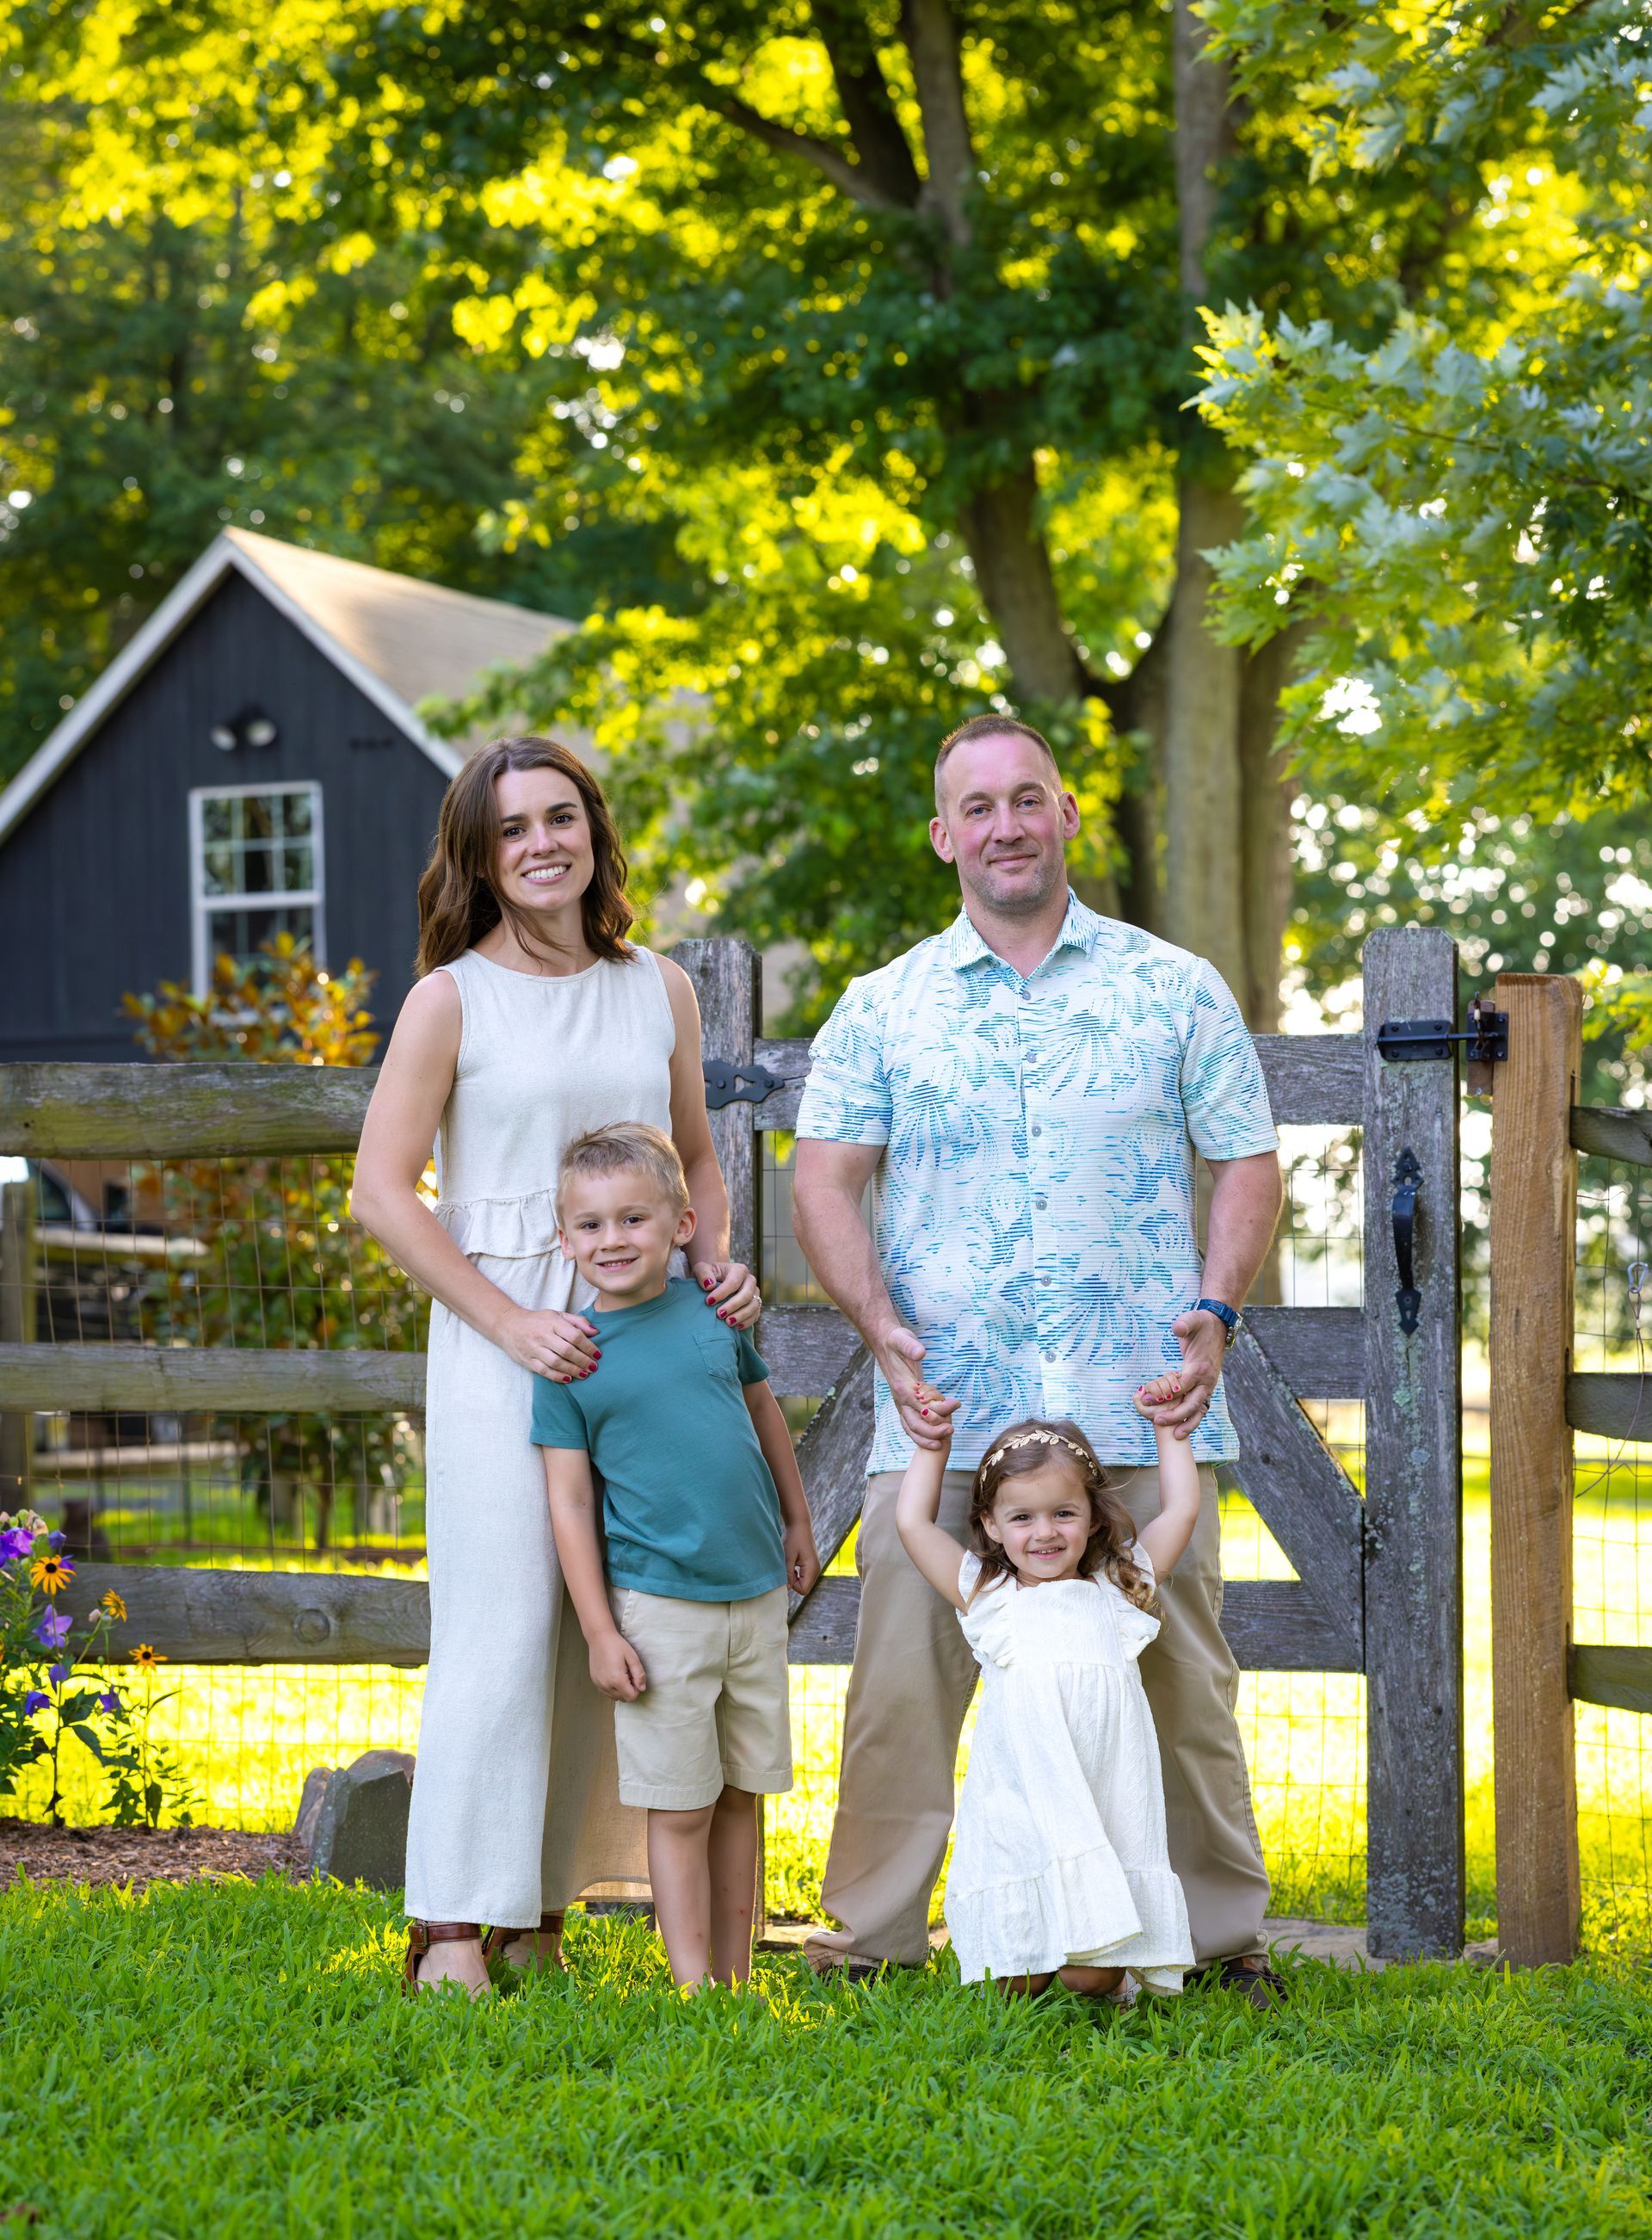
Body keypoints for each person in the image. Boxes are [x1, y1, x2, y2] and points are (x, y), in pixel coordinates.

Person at [792, 713, 1285, 2002]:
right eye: (978, 806)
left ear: (1067, 812)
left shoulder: (1175, 987)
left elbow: (1245, 1157)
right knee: (901, 1685)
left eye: (1028, 798)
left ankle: (1219, 1935)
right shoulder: (879, 1006)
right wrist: (877, 1325)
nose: (1005, 824)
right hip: (942, 1413)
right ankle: (874, 1937)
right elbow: (826, 1182)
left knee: (1177, 1680)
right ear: (945, 832)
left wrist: (1219, 1310)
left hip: (1138, 1400)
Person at [350, 737, 761, 1996]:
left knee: (615, 1610)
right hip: (502, 1333)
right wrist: (507, 1319)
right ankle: (456, 1924)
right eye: (513, 825)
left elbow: (696, 1159)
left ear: (595, 831)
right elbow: (381, 1189)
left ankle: (543, 1902)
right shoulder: (451, 998)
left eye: (562, 816)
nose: (542, 842)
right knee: (503, 1613)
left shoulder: (660, 989)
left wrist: (711, 1265)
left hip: (638, 1338)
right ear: (479, 852)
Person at [536, 1123, 820, 1988]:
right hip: (659, 1610)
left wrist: (799, 1518)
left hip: (756, 1595)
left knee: (743, 1795)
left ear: (682, 1222)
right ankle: (692, 1982)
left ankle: (734, 1980)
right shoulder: (572, 1356)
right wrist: (597, 1629)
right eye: (590, 1225)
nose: (613, 1239)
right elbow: (571, 1500)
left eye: (633, 1218)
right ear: (565, 1239)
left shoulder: (713, 1312)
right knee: (683, 1803)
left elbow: (764, 1412)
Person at [896, 1381, 1198, 2000]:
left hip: (1102, 1792)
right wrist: (932, 1442)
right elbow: (910, 1522)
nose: (1045, 1532)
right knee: (1018, 1976)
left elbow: (1182, 1512)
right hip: (1023, 1796)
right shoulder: (991, 1597)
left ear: (1092, 1516)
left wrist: (1169, 1431)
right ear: (990, 1523)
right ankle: (1022, 1948)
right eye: (1022, 1517)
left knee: (1093, 1974)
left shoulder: (1119, 1587)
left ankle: (1097, 1944)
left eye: (1064, 1512)